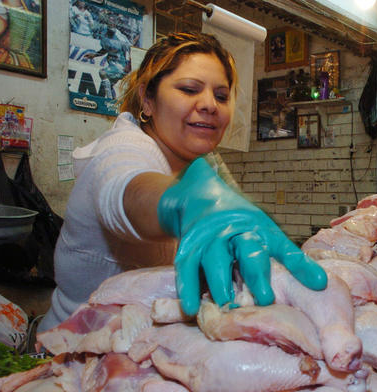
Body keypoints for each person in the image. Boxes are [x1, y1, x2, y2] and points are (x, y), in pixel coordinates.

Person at [40, 32, 326, 332]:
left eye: (221, 96)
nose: (210, 104)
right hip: (77, 348)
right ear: (147, 100)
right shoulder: (124, 146)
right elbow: (127, 187)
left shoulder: (206, 165)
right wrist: (177, 203)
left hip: (156, 347)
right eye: (189, 89)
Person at [85, 13, 133, 99]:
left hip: (121, 66)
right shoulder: (104, 33)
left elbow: (132, 51)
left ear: (115, 24)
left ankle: (109, 98)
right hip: (112, 64)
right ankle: (112, 101)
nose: (111, 24)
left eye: (113, 22)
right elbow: (105, 49)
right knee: (109, 85)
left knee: (103, 73)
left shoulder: (121, 38)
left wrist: (128, 65)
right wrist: (94, 55)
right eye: (109, 22)